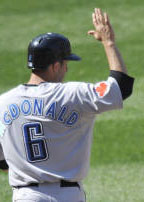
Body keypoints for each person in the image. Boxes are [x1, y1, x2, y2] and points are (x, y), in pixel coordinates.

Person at [0, 8, 134, 202]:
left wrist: (28, 169)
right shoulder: (70, 94)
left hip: (25, 196)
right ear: (55, 66)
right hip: (67, 196)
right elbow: (121, 87)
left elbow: (2, 161)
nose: (67, 68)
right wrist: (108, 42)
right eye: (65, 63)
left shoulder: (3, 102)